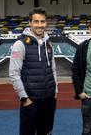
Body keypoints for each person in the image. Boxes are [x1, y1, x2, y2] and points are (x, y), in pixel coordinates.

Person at [9, 7, 58, 135]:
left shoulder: (49, 44)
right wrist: (24, 98)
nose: (39, 25)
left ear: (46, 23)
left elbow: (53, 69)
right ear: (30, 23)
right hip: (31, 102)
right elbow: (14, 73)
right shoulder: (20, 44)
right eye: (36, 21)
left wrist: (55, 92)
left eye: (42, 22)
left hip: (49, 101)